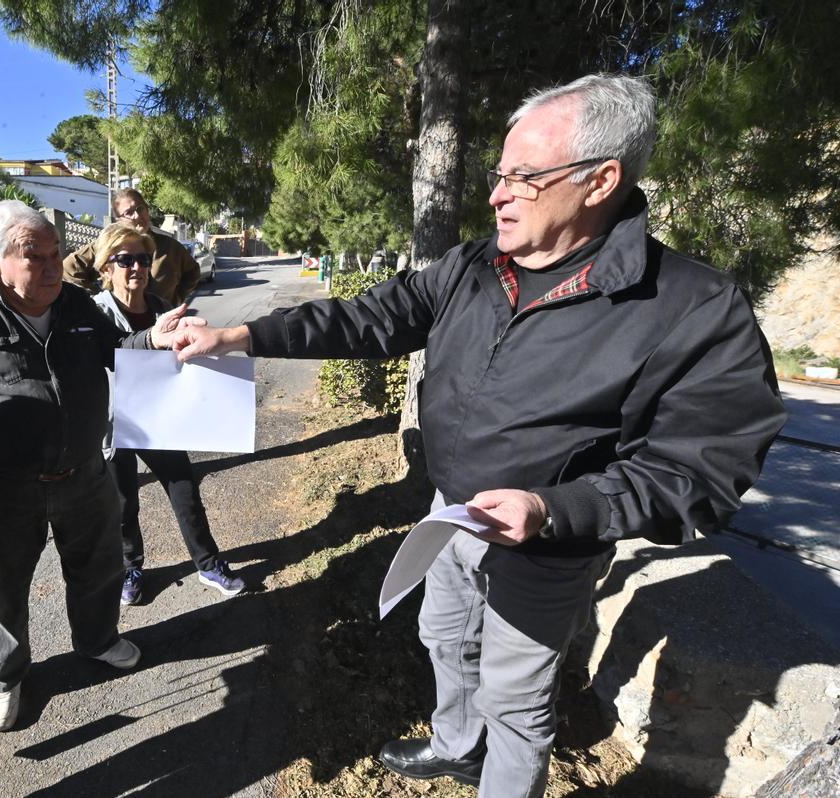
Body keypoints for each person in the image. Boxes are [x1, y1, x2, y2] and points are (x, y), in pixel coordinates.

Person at [171, 74, 786, 798]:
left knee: (517, 706)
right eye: (500, 175)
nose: (496, 194)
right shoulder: (473, 266)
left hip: (546, 544)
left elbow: (704, 469)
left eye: (523, 178)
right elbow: (367, 319)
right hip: (449, 512)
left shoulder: (693, 305)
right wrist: (243, 334)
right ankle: (458, 746)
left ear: (601, 180)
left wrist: (555, 510)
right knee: (442, 636)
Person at [0, 200, 196, 734]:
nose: (50, 268)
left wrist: (153, 339)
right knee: (2, 591)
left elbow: (118, 348)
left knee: (99, 569)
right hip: (1, 488)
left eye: (55, 254)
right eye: (33, 257)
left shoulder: (74, 303)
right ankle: (5, 678)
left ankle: (97, 641)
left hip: (85, 476)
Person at [90, 223, 246, 604]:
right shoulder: (96, 312)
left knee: (185, 490)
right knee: (124, 503)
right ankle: (130, 568)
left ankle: (208, 563)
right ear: (106, 267)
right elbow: (101, 357)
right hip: (114, 424)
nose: (137, 268)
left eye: (143, 259)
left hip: (160, 420)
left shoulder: (161, 307)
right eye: (125, 260)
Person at [63, 187, 200, 304]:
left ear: (147, 210)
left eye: (140, 209)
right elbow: (69, 268)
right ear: (118, 220)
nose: (136, 216)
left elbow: (193, 273)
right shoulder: (107, 246)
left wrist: (175, 300)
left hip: (160, 324)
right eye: (128, 213)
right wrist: (95, 301)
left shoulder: (170, 247)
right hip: (122, 326)